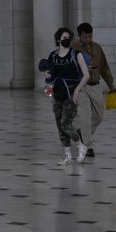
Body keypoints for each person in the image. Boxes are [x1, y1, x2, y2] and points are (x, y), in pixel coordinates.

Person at [38, 27, 91, 163]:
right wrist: (48, 89)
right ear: (58, 39)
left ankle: (81, 145)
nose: (66, 40)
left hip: (71, 93)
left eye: (68, 38)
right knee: (59, 126)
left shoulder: (76, 54)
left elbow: (86, 75)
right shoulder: (53, 56)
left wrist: (77, 91)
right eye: (64, 38)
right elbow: (49, 76)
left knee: (65, 124)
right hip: (57, 94)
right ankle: (67, 154)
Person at [73, 23, 114, 156]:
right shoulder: (74, 49)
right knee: (85, 117)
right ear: (80, 36)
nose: (88, 39)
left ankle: (82, 132)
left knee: (99, 116)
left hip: (96, 86)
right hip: (81, 87)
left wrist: (111, 85)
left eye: (90, 36)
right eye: (85, 37)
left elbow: (104, 67)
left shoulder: (97, 47)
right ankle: (87, 146)